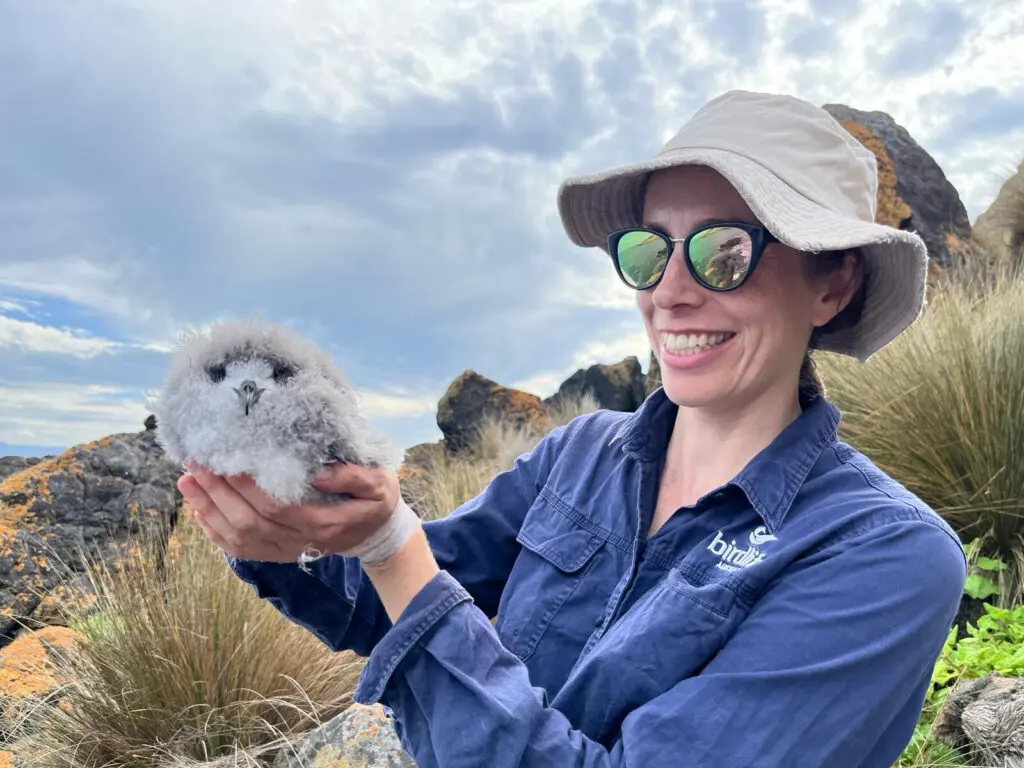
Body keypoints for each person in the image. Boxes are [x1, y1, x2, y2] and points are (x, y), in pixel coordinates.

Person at [178, 90, 968, 768]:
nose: (672, 292)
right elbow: (388, 598)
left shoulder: (884, 555)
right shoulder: (581, 451)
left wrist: (391, 547)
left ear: (833, 282)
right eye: (649, 250)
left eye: (725, 251)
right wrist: (287, 523)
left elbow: (405, 570)